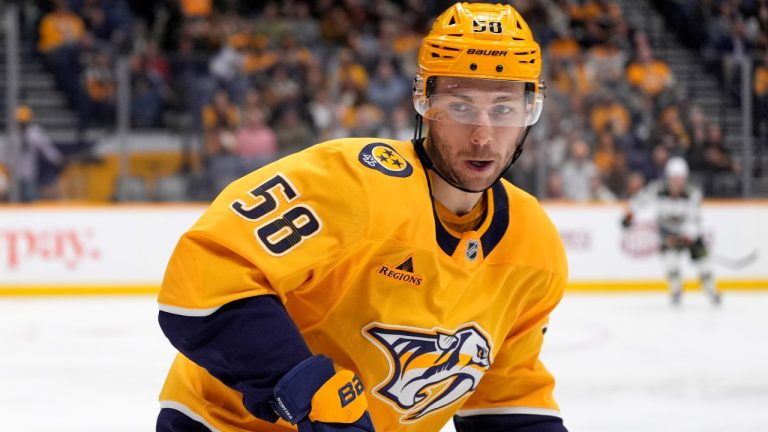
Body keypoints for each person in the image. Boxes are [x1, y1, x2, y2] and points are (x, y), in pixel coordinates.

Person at [156, 3, 568, 432]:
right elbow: (204, 277)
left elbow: (506, 401)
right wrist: (306, 390)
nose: (483, 136)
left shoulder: (533, 243)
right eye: (460, 107)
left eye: (503, 110)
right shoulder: (352, 183)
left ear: (529, 113)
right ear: (424, 100)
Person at [622, 157, 721, 306]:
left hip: (688, 235)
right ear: (668, 178)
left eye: (679, 179)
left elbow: (695, 218)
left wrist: (688, 235)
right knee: (671, 262)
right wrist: (629, 215)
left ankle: (711, 291)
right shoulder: (657, 189)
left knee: (704, 264)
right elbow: (639, 201)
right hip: (667, 234)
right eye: (673, 179)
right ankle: (676, 291)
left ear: (685, 179)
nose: (676, 183)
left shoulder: (692, 193)